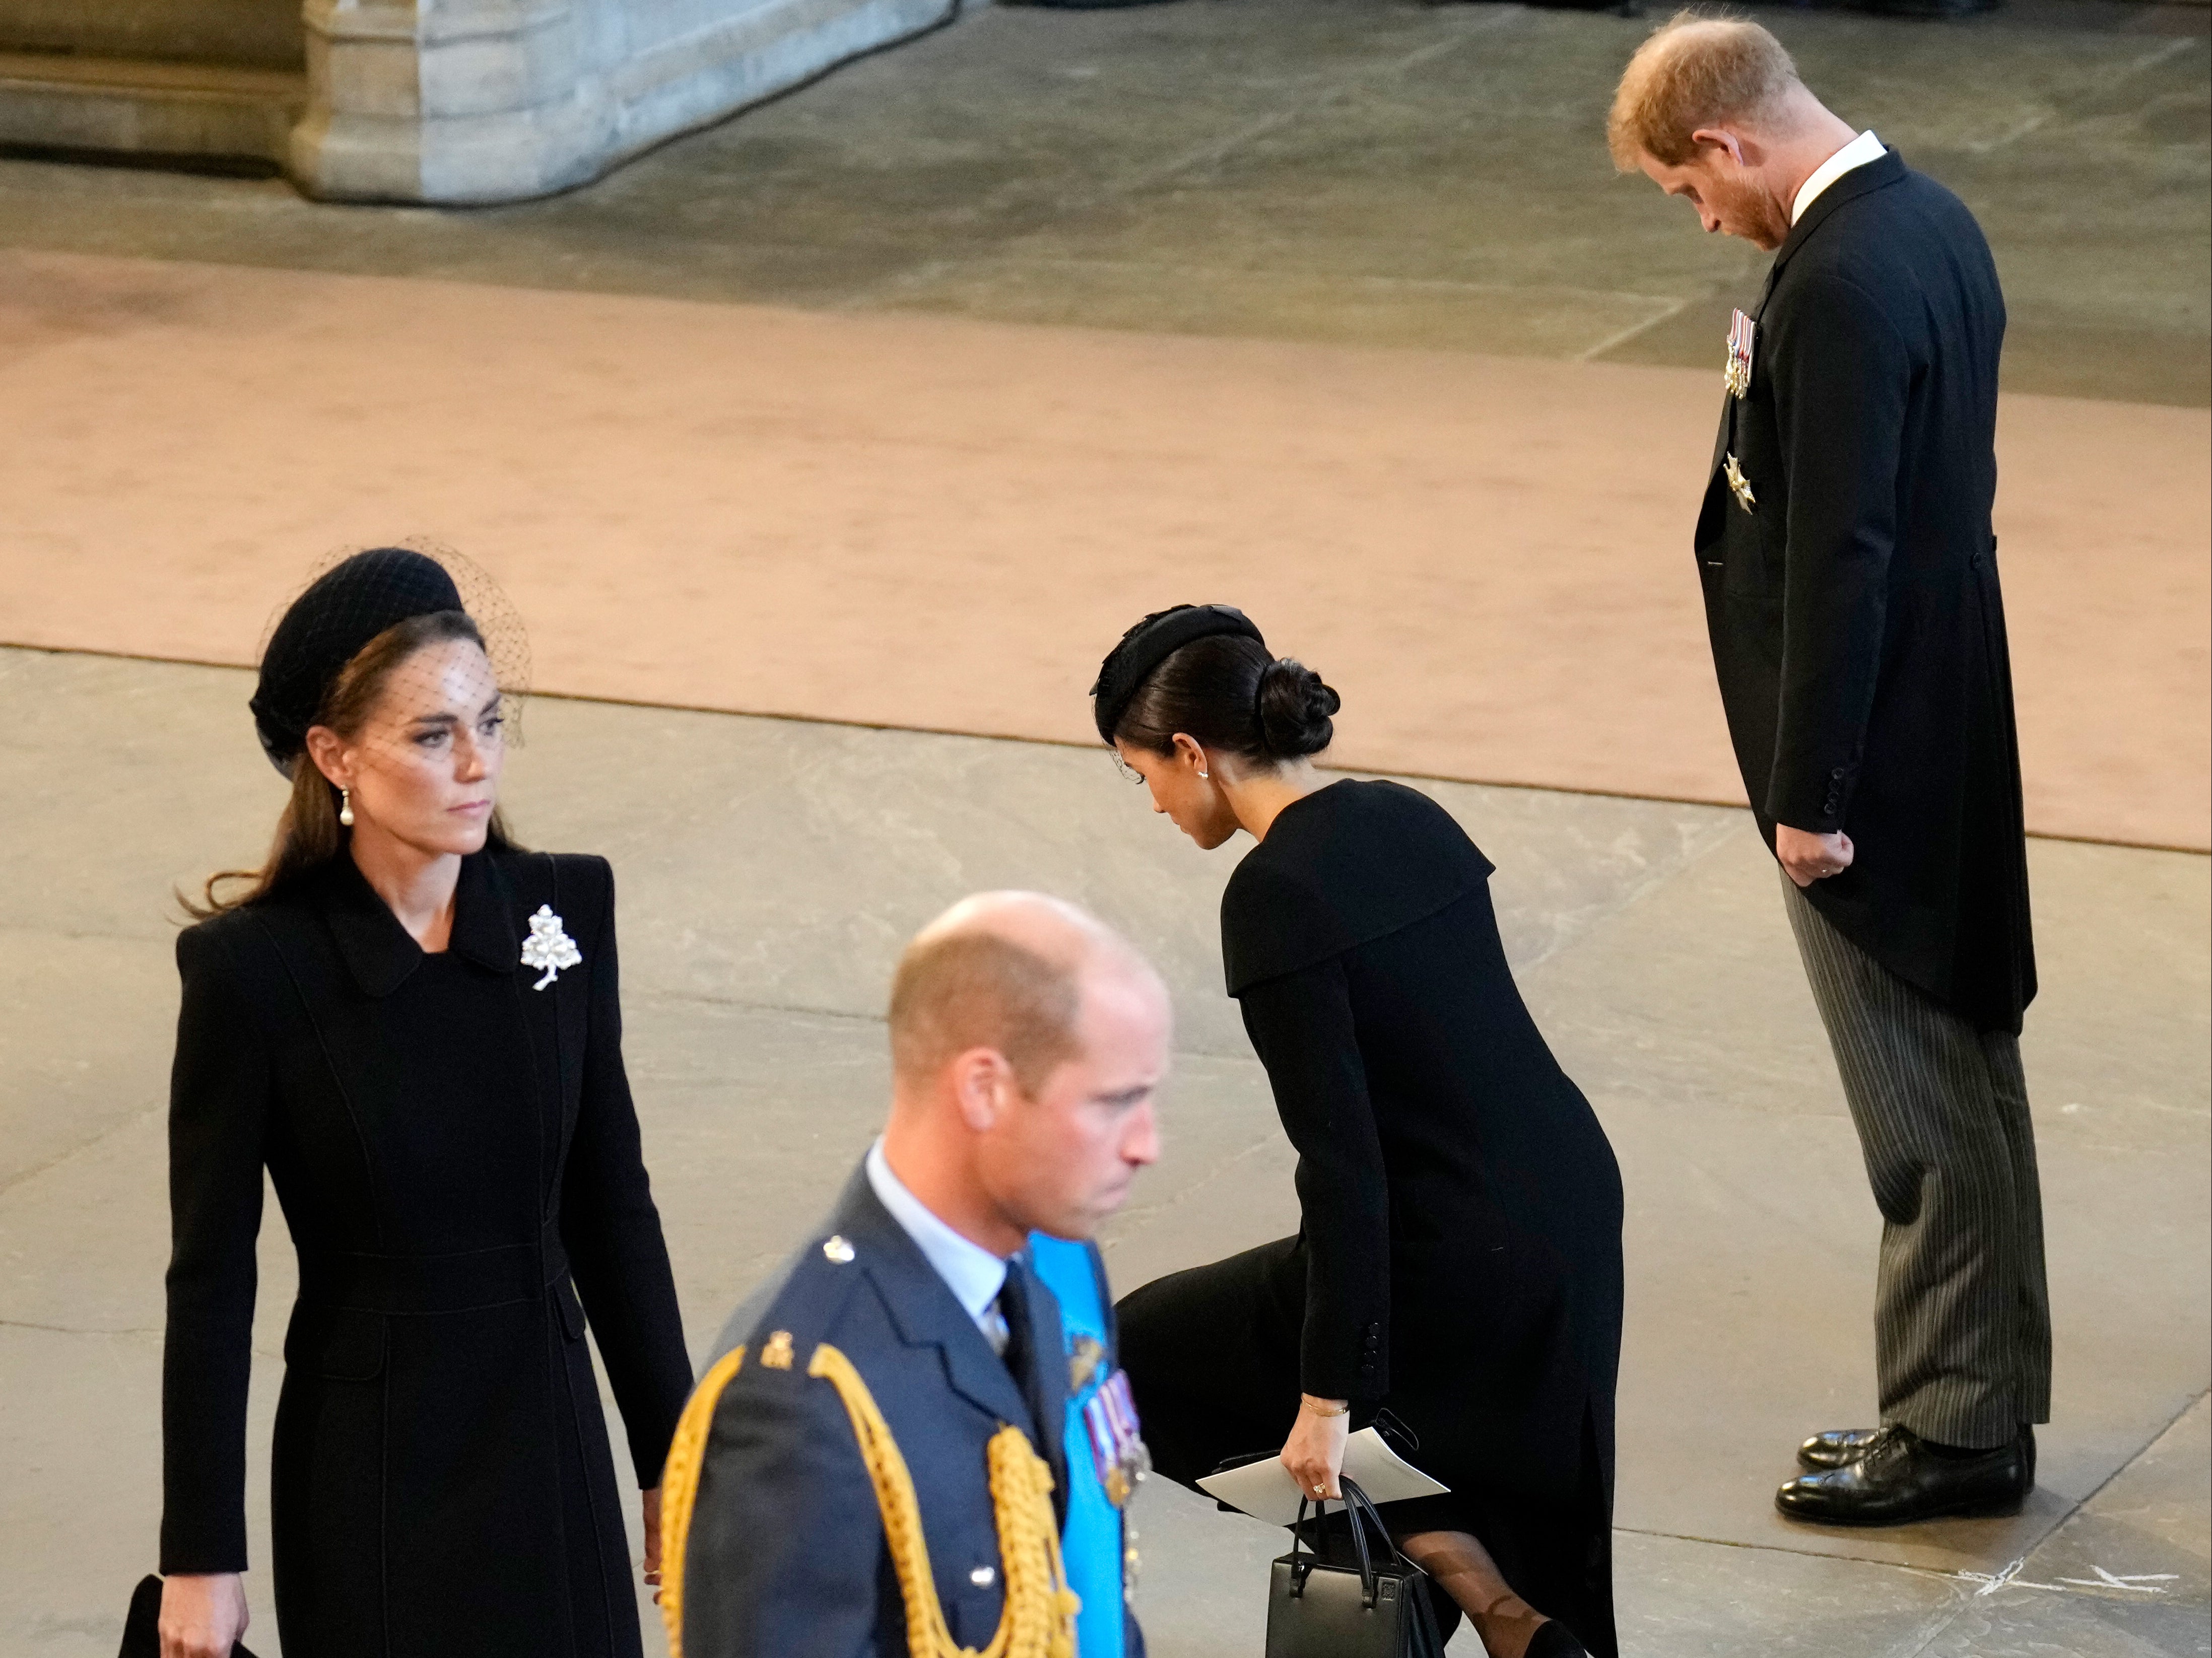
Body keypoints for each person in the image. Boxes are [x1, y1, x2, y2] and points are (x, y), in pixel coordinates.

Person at [1609, 17, 2048, 1527]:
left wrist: (1815, 791)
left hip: (1878, 747)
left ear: (1726, 142)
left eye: (1691, 191)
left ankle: (1953, 1430)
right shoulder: (1927, 219)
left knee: (1918, 1094)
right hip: (1943, 703)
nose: (1703, 220)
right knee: (1963, 1064)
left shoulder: (1841, 280)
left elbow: (1842, 554)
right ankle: (1975, 1402)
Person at [157, 548, 692, 1658]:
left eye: (489, 723)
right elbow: (211, 1279)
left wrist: (674, 1461)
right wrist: (201, 1555)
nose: (477, 765)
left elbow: (612, 1206)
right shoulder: (253, 971)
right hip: (370, 1462)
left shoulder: (565, 909)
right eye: (433, 735)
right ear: (334, 755)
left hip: (551, 1437)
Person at [1093, 606, 1624, 1658]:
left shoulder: (1273, 895)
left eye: (1140, 772)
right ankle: (1509, 1613)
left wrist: (1329, 1396)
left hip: (1447, 1244)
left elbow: (1346, 1170)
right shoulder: (1402, 814)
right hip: (1567, 1206)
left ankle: (1492, 1604)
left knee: (1133, 1358)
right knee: (1498, 1476)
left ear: (1191, 751)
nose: (1152, 801)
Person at [663, 892, 1167, 1657]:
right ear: (983, 1091)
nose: (1146, 1145)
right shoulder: (801, 1398)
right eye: (1114, 1103)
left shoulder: (1045, 1276)